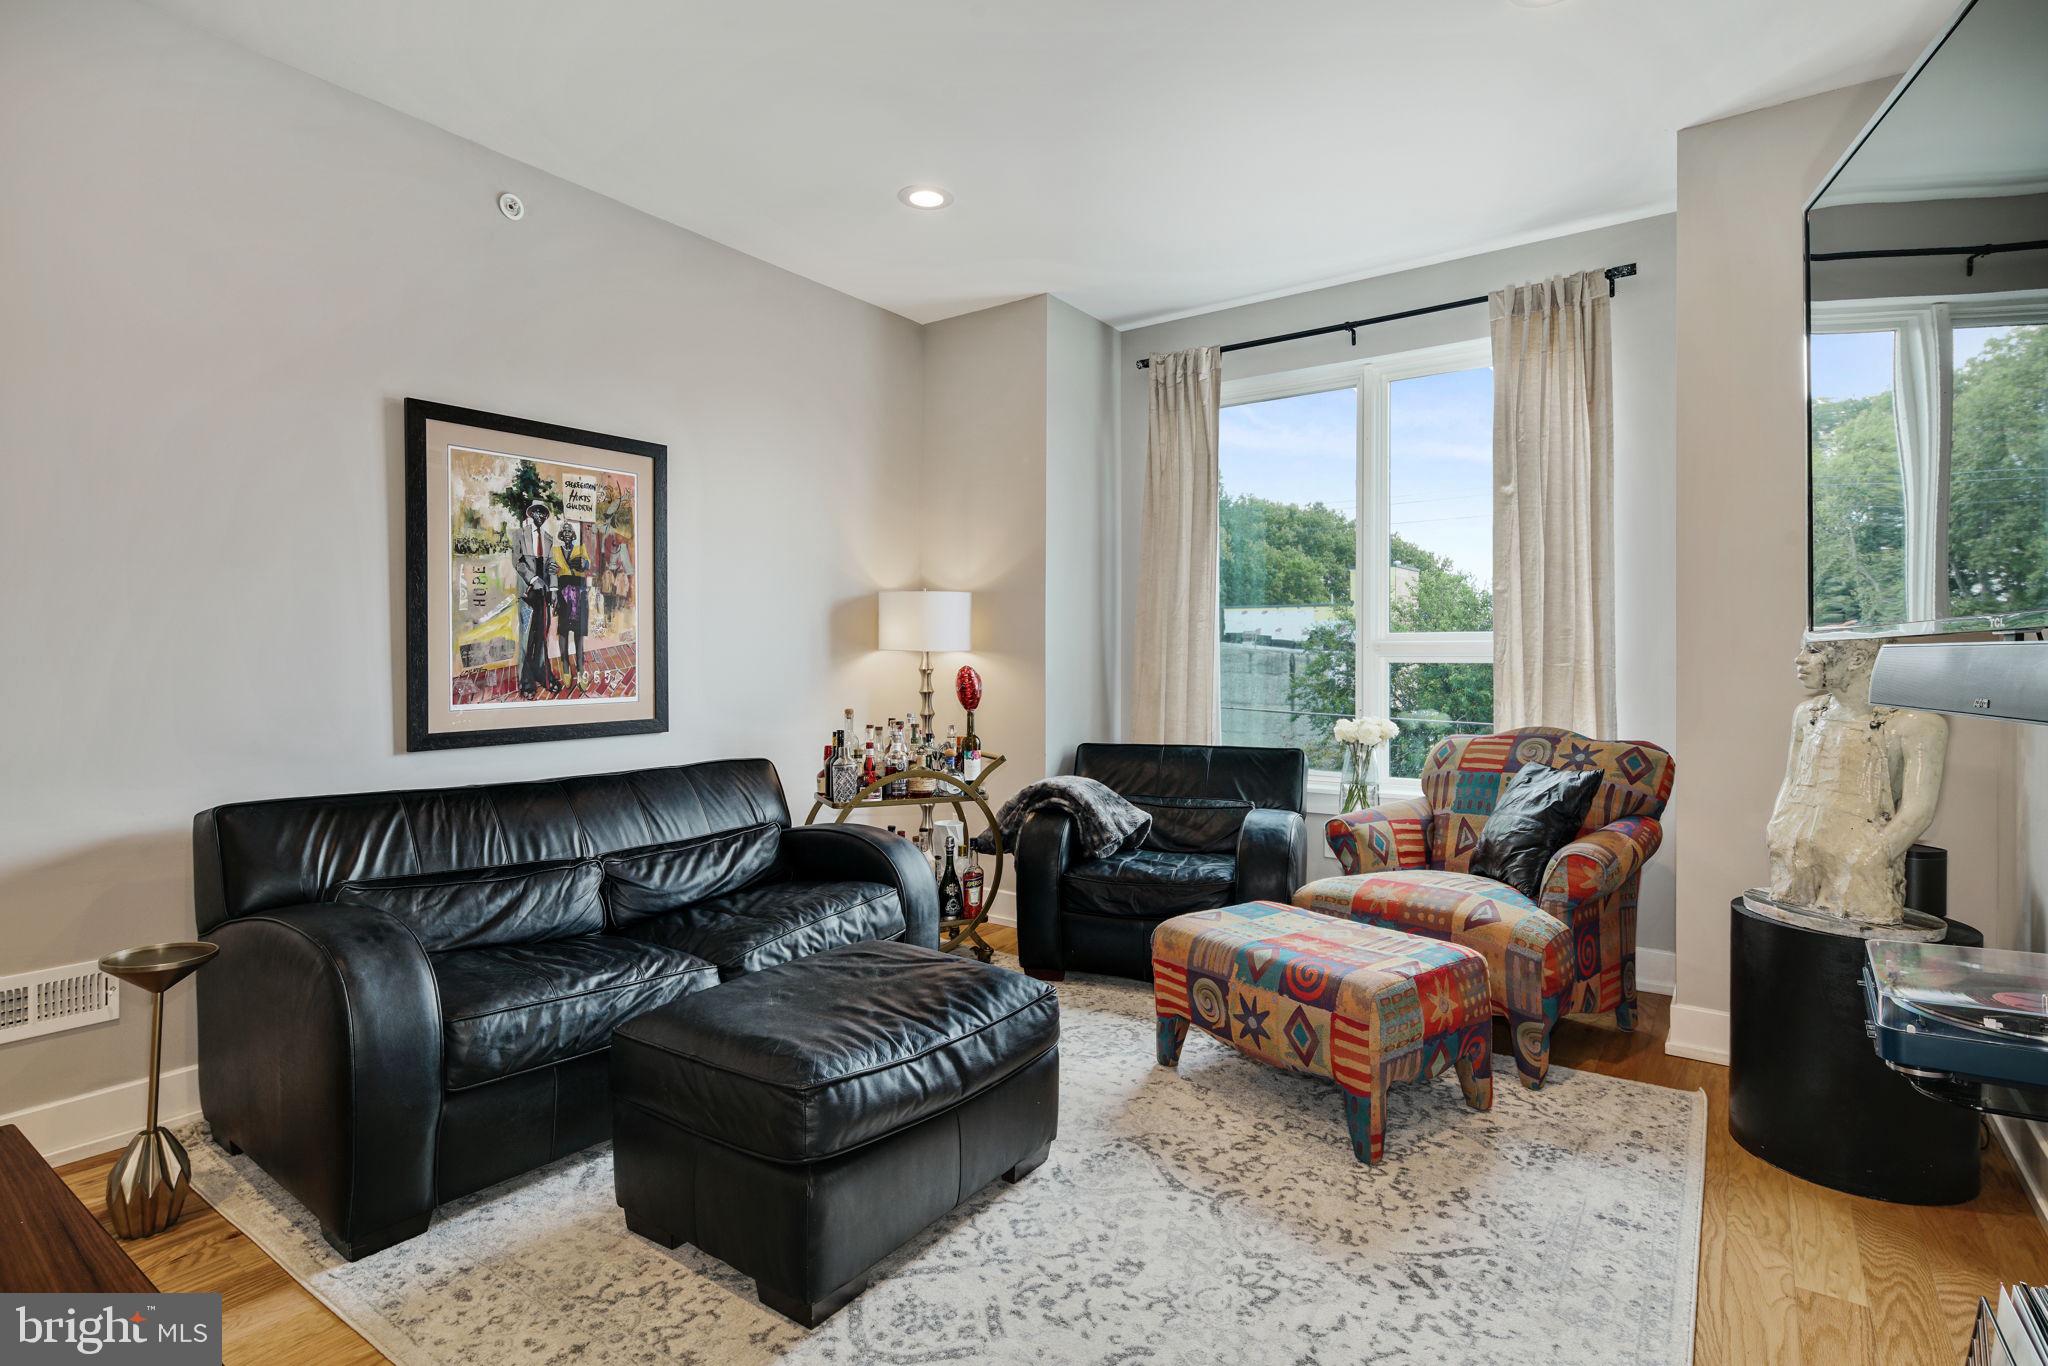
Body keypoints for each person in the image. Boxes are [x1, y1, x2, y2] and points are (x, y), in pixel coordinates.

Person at [512, 500, 554, 699]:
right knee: (527, 638)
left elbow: (552, 566)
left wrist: (552, 588)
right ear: (530, 514)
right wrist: (534, 579)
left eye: (543, 513)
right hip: (528, 593)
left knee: (542, 636)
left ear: (545, 516)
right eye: (536, 512)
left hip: (544, 594)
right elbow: (518, 563)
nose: (539, 516)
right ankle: (526, 682)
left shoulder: (548, 539)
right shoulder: (519, 535)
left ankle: (542, 674)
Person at [552, 521, 592, 693]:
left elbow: (588, 565)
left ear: (573, 535)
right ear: (561, 535)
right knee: (562, 631)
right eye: (564, 531)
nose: (567, 533)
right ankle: (566, 666)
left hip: (579, 593)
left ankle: (581, 668)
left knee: (579, 633)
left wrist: (584, 564)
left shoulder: (581, 548)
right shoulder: (554, 551)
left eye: (570, 531)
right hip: (563, 594)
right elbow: (552, 572)